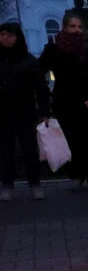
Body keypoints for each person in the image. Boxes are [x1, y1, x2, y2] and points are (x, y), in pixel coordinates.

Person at [39, 12, 88, 191]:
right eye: (72, 26)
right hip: (67, 104)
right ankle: (76, 176)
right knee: (73, 141)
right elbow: (38, 73)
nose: (77, 30)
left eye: (79, 27)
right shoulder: (54, 50)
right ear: (64, 27)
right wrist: (48, 94)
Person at [0, 22, 50, 201]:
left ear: (17, 38)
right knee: (5, 151)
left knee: (29, 150)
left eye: (10, 35)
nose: (6, 38)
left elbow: (41, 88)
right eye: (3, 34)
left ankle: (35, 184)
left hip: (24, 112)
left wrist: (45, 111)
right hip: (2, 114)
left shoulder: (28, 60)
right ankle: (6, 184)